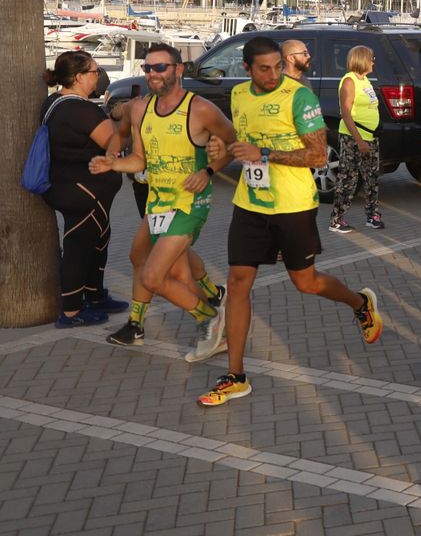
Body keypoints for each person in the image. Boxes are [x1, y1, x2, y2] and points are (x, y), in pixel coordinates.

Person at [199, 37, 385, 407]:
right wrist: (222, 150)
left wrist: (265, 153)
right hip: (250, 203)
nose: (272, 75)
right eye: (263, 69)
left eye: (277, 67)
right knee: (238, 284)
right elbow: (240, 138)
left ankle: (360, 304)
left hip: (293, 204)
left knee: (306, 283)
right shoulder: (238, 95)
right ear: (247, 69)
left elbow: (317, 156)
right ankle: (236, 376)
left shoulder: (299, 97)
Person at [90, 45, 234, 351]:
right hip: (159, 201)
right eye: (147, 68)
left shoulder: (201, 109)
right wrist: (113, 164)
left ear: (178, 69)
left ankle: (209, 316)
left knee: (156, 276)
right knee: (138, 257)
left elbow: (233, 144)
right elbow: (140, 159)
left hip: (190, 203)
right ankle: (136, 325)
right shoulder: (140, 109)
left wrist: (209, 169)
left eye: (160, 67)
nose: (152, 74)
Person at [37, 51, 126, 328]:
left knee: (98, 238)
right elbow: (114, 141)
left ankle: (94, 295)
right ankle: (72, 311)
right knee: (80, 246)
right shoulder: (79, 109)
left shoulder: (56, 102)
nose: (97, 77)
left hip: (73, 186)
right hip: (81, 190)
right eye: (94, 72)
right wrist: (128, 117)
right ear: (78, 77)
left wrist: (112, 115)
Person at [329, 45, 384, 234]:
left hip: (371, 136)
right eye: (371, 58)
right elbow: (346, 113)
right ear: (361, 60)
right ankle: (337, 219)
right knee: (348, 179)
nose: (373, 62)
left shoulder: (365, 80)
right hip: (354, 138)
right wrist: (359, 141)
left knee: (372, 178)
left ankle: (372, 215)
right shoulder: (349, 81)